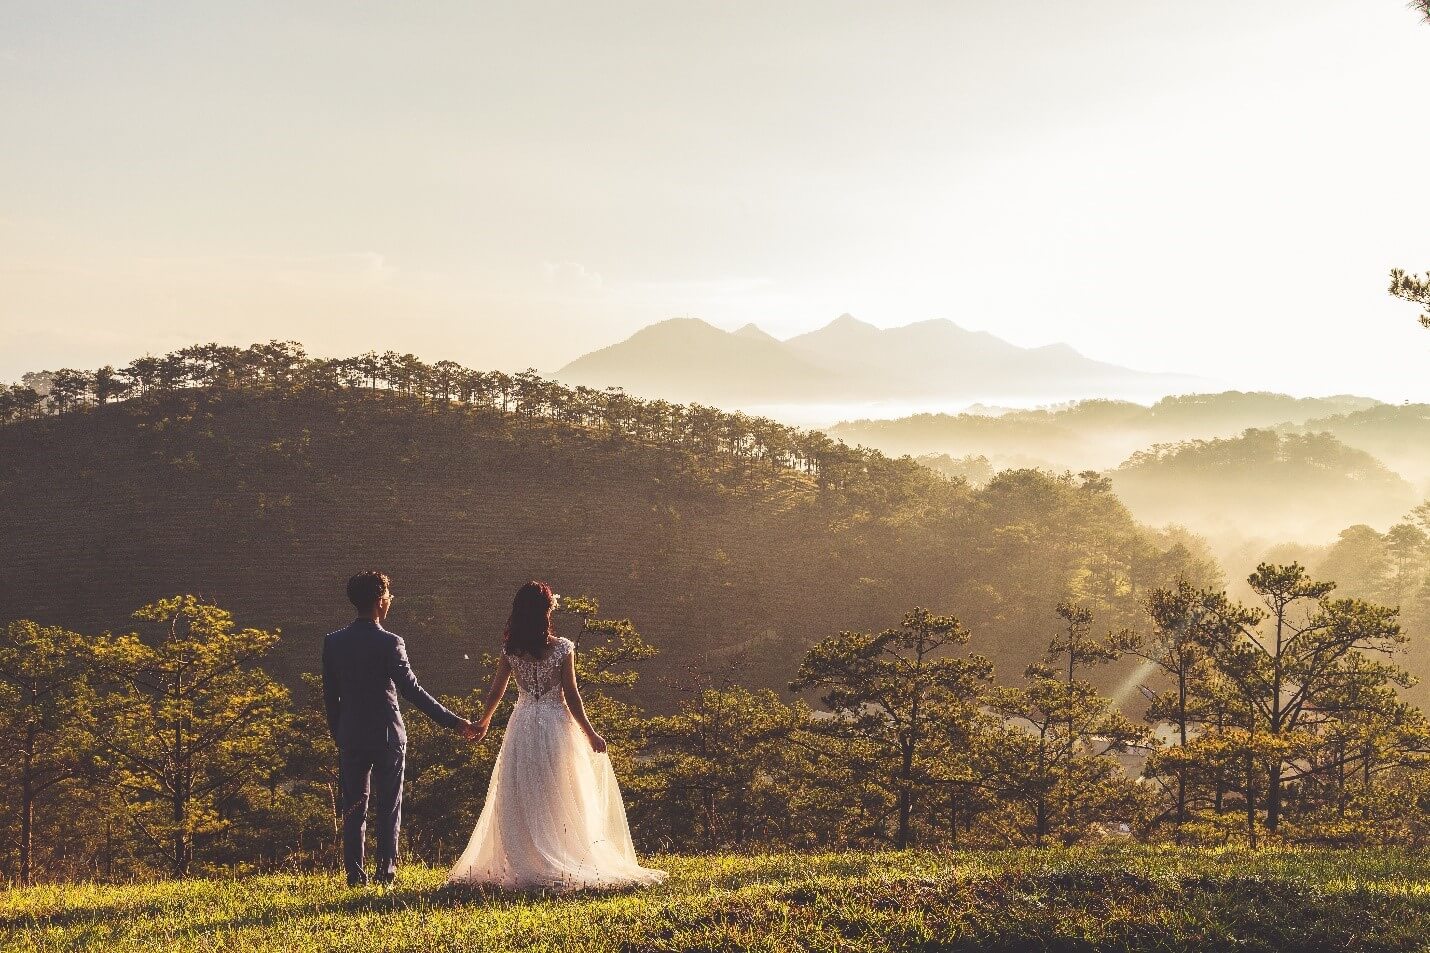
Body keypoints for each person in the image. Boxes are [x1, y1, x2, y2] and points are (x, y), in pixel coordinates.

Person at [447, 580, 666, 891]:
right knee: (559, 789)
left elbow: (497, 690)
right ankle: (560, 853)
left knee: (523, 791)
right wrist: (590, 734)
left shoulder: (512, 650)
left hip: (522, 724)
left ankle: (529, 857)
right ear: (546, 612)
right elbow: (571, 695)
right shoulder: (562, 648)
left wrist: (483, 721)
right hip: (555, 724)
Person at [322, 570, 477, 887]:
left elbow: (330, 695)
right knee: (388, 807)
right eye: (389, 597)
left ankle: (355, 875)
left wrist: (339, 733)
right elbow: (412, 691)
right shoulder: (390, 642)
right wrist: (454, 721)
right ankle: (385, 874)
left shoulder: (333, 642)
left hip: (350, 735)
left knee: (353, 807)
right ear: (381, 602)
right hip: (387, 735)